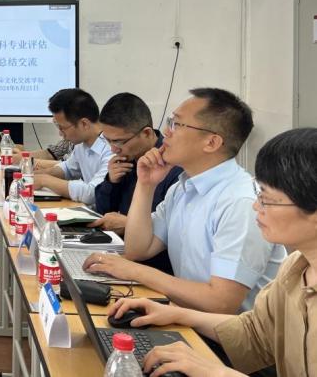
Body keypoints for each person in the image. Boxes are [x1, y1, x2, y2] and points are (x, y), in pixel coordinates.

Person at [108, 127, 317, 377]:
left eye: (267, 199)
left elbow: (224, 305)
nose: (255, 206)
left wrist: (217, 372)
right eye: (259, 193)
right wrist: (176, 314)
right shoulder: (296, 267)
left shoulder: (236, 201)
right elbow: (255, 331)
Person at [83, 88, 285, 313]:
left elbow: (221, 303)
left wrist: (135, 271)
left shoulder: (241, 202)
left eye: (176, 124)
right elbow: (138, 249)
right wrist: (146, 185)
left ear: (211, 142)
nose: (166, 132)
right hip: (185, 317)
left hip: (221, 333)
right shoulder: (183, 188)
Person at [90, 93, 178, 274]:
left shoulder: (173, 168)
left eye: (118, 141)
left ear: (146, 133)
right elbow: (103, 210)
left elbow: (174, 234)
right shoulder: (126, 160)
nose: (113, 149)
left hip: (155, 267)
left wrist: (128, 224)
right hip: (123, 251)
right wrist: (111, 182)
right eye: (107, 140)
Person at [33, 88, 113, 206]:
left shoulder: (111, 148)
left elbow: (93, 193)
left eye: (62, 128)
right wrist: (38, 174)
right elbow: (68, 168)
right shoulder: (81, 144)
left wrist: (44, 180)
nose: (60, 134)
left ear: (84, 124)